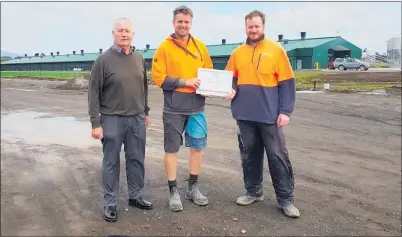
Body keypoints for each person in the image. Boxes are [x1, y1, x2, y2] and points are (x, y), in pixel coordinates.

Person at [224, 10, 300, 218]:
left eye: (256, 26)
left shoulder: (276, 50)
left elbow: (287, 83)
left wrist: (286, 111)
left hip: (270, 116)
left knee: (277, 157)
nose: (253, 30)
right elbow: (230, 78)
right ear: (245, 27)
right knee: (249, 156)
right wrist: (230, 89)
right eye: (250, 26)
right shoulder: (238, 52)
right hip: (244, 115)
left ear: (263, 27)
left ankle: (286, 200)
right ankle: (253, 192)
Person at [88, 17, 153, 222]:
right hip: (111, 119)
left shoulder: (139, 58)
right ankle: (110, 204)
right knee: (111, 163)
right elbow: (93, 93)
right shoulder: (103, 60)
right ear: (113, 34)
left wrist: (146, 112)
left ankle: (136, 196)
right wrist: (95, 123)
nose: (124, 34)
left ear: (133, 34)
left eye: (128, 31)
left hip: (136, 119)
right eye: (120, 31)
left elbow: (144, 87)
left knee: (136, 159)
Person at [151, 5, 214, 212]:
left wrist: (209, 87)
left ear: (191, 23)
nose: (183, 25)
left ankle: (192, 188)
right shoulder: (164, 48)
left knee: (197, 148)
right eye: (180, 21)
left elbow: (209, 73)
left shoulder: (200, 47)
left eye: (187, 22)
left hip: (197, 108)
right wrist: (185, 81)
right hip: (174, 108)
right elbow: (159, 78)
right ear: (173, 23)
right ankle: (173, 191)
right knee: (172, 149)